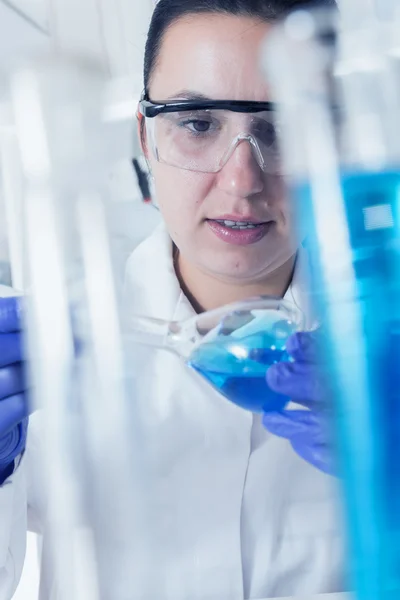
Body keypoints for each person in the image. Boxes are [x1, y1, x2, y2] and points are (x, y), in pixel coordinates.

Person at [0, 0, 344, 599]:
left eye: (282, 126)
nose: (241, 180)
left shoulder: (382, 356)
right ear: (144, 136)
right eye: (197, 123)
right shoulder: (51, 351)